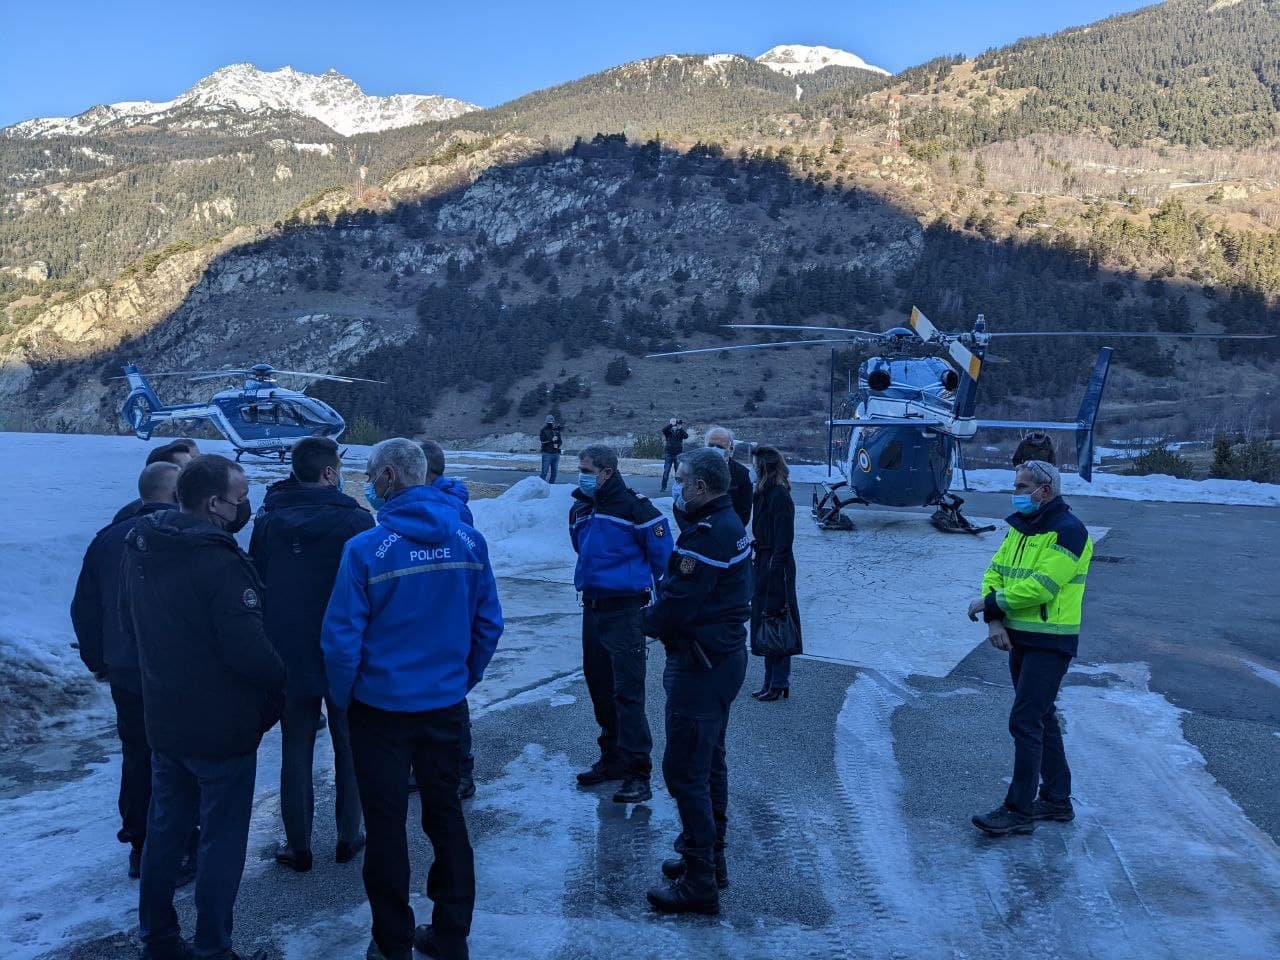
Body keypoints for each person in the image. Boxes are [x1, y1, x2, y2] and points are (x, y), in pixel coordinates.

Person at [322, 438, 503, 960]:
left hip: (379, 710)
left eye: (371, 475)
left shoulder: (364, 550)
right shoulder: (469, 541)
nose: (369, 485)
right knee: (446, 817)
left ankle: (392, 942)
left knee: (385, 827)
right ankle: (451, 936)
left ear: (390, 479)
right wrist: (458, 680)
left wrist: (345, 697)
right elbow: (488, 624)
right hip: (444, 706)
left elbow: (340, 641)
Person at [121, 454, 287, 960]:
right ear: (214, 503)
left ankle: (159, 939)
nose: (245, 506)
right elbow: (248, 650)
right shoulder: (217, 562)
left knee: (165, 833)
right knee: (221, 840)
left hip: (166, 719)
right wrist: (284, 679)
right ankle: (214, 947)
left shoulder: (144, 547)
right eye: (240, 497)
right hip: (220, 727)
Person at [249, 437, 374, 873]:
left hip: (288, 653)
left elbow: (257, 583)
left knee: (295, 747)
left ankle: (298, 843)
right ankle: (349, 835)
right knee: (350, 743)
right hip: (344, 652)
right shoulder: (358, 522)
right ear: (328, 473)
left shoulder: (267, 521)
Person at [641, 449, 751, 914]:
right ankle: (707, 855)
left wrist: (640, 623)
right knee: (709, 764)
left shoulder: (706, 536)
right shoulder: (724, 525)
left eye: (682, 480)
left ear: (702, 488)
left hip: (700, 664)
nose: (677, 487)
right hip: (721, 658)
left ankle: (700, 881)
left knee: (685, 770)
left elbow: (678, 604)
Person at [72, 462, 192, 882]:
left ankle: (142, 845)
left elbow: (84, 606)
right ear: (177, 493)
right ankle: (179, 845)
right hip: (176, 672)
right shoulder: (182, 536)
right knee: (179, 757)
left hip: (126, 672)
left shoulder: (108, 537)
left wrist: (99, 661)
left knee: (138, 756)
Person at [967, 460, 1093, 837]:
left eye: (1023, 487)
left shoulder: (1069, 531)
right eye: (1017, 486)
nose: (1017, 493)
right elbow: (995, 572)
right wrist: (995, 619)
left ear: (1046, 491)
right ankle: (1057, 800)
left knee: (1025, 720)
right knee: (1041, 718)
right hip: (1020, 635)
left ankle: (1019, 809)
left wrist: (991, 605)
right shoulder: (1021, 528)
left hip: (1051, 640)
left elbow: (1041, 587)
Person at [570, 444, 673, 805]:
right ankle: (612, 758)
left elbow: (665, 562)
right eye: (579, 467)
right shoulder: (582, 508)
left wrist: (663, 613)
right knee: (599, 687)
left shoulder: (636, 509)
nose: (580, 474)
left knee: (627, 694)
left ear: (607, 471)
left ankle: (637, 773)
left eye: (586, 468)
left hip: (626, 612)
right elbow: (581, 550)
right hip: (593, 609)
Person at [421, 439, 476, 799]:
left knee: (449, 698)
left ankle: (460, 772)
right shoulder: (429, 502)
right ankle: (428, 767)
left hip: (445, 613)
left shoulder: (447, 508)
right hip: (425, 610)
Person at [748, 446, 802, 701]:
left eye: (756, 464)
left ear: (764, 467)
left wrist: (774, 569)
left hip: (775, 564)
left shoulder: (778, 494)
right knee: (767, 618)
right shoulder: (764, 493)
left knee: (777, 619)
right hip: (764, 559)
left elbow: (784, 538)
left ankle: (778, 681)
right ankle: (772, 680)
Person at [111, 439, 198, 525]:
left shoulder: (200, 509)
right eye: (186, 469)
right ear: (162, 470)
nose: (195, 473)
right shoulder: (126, 516)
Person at [688, 426, 751, 529]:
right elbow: (682, 506)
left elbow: (744, 511)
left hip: (728, 532)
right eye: (711, 445)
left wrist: (729, 531)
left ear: (731, 450)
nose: (714, 449)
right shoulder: (692, 470)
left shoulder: (742, 474)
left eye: (720, 447)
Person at [660, 418, 688, 492]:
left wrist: (680, 428)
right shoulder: (668, 432)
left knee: (678, 472)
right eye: (674, 425)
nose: (675, 426)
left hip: (678, 454)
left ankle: (678, 487)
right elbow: (663, 430)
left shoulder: (680, 432)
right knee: (666, 471)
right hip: (669, 453)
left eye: (676, 425)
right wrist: (671, 424)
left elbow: (686, 436)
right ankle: (663, 487)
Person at [539, 415, 563, 483]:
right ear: (546, 422)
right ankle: (540, 487)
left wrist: (557, 444)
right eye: (549, 421)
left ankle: (551, 487)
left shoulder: (556, 430)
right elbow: (543, 441)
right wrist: (551, 440)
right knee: (544, 472)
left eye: (552, 421)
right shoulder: (543, 430)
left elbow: (560, 441)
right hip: (547, 453)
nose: (551, 422)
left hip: (556, 453)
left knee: (554, 472)